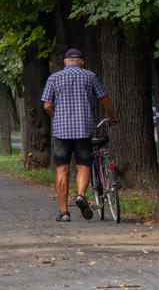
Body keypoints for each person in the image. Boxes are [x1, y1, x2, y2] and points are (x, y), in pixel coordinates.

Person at [40, 47, 118, 221]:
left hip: (61, 133)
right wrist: (112, 117)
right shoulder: (90, 76)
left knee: (62, 170)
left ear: (66, 62)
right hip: (83, 130)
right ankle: (81, 195)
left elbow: (46, 105)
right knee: (83, 165)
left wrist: (56, 116)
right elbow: (104, 99)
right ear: (81, 62)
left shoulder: (54, 78)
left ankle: (64, 213)